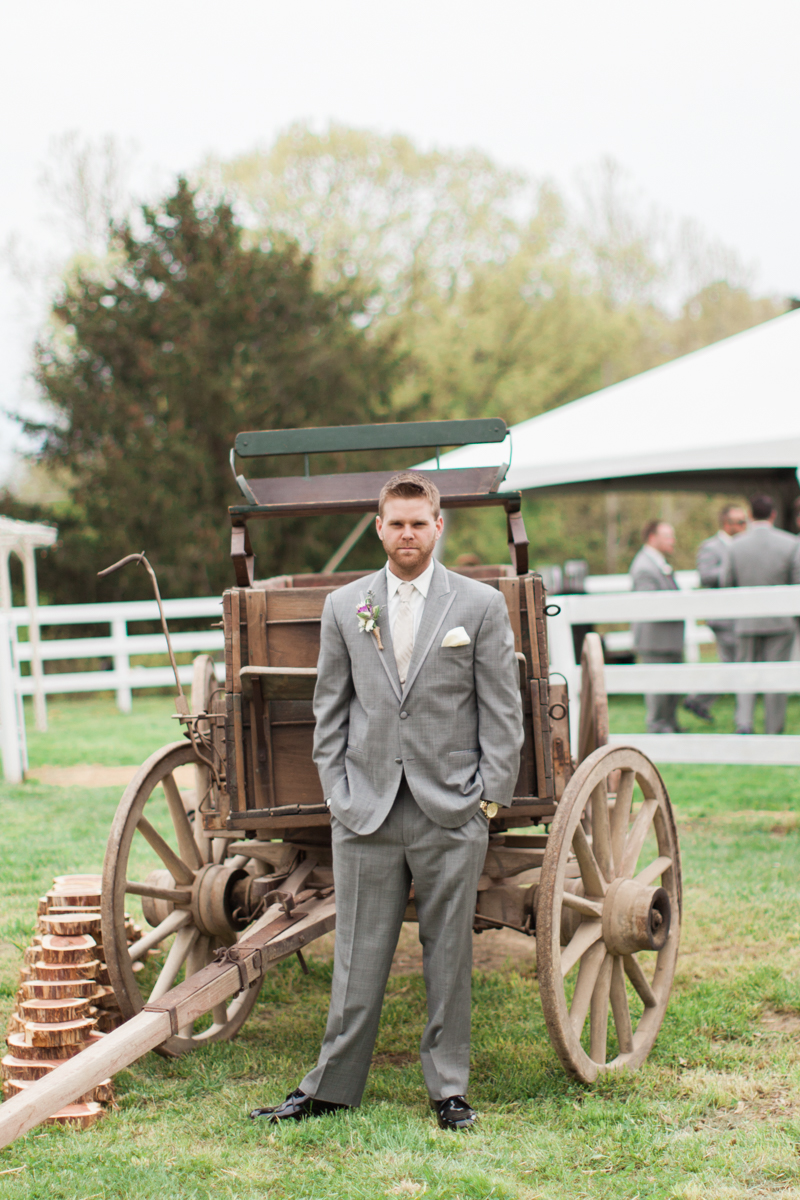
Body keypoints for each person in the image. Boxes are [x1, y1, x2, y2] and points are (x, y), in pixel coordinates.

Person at [250, 472, 523, 1131]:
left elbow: (502, 713)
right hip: (366, 807)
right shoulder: (347, 606)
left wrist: (487, 802)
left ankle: (448, 1089)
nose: (407, 533)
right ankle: (331, 1087)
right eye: (395, 522)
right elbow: (330, 713)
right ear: (379, 528)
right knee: (358, 951)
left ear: (438, 527)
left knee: (449, 950)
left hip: (450, 808)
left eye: (418, 522)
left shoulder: (479, 606)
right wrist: (340, 796)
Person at [724, 493, 800, 735]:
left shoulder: (735, 545)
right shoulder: (790, 544)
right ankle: (772, 728)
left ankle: (744, 723)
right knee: (776, 676)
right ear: (773, 514)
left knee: (745, 672)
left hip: (746, 622)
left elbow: (727, 583)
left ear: (750, 515)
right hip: (781, 622)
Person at [683, 503, 748, 723]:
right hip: (723, 618)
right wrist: (732, 570)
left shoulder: (743, 545)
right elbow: (705, 575)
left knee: (733, 665)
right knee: (736, 665)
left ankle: (699, 700)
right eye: (740, 522)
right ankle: (739, 718)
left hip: (741, 616)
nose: (744, 526)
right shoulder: (710, 547)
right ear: (726, 524)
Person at [630, 520, 684, 734]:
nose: (673, 540)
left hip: (668, 637)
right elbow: (649, 603)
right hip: (654, 638)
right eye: (667, 536)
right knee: (658, 687)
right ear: (652, 538)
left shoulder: (658, 561)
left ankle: (670, 722)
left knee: (672, 684)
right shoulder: (644, 566)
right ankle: (657, 725)